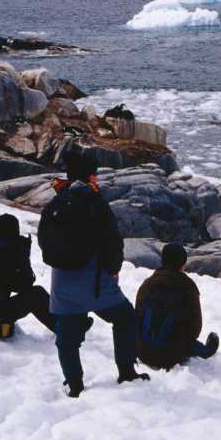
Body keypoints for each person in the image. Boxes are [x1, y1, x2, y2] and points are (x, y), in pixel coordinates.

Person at [40, 151, 149, 398]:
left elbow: (45, 241)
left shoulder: (57, 202)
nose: (96, 178)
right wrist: (113, 270)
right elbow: (112, 241)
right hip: (94, 281)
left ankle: (74, 383)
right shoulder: (94, 202)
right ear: (89, 175)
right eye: (94, 174)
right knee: (125, 318)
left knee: (67, 338)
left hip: (63, 282)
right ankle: (126, 372)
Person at [0, 214, 64, 338]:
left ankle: (67, 326)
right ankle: (67, 328)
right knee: (37, 294)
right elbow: (25, 284)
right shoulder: (3, 252)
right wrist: (22, 255)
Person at [135, 243, 220, 370]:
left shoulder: (148, 284)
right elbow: (195, 328)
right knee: (192, 345)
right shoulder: (188, 287)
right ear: (183, 263)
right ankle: (206, 351)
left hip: (143, 353)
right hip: (172, 356)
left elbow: (138, 316)